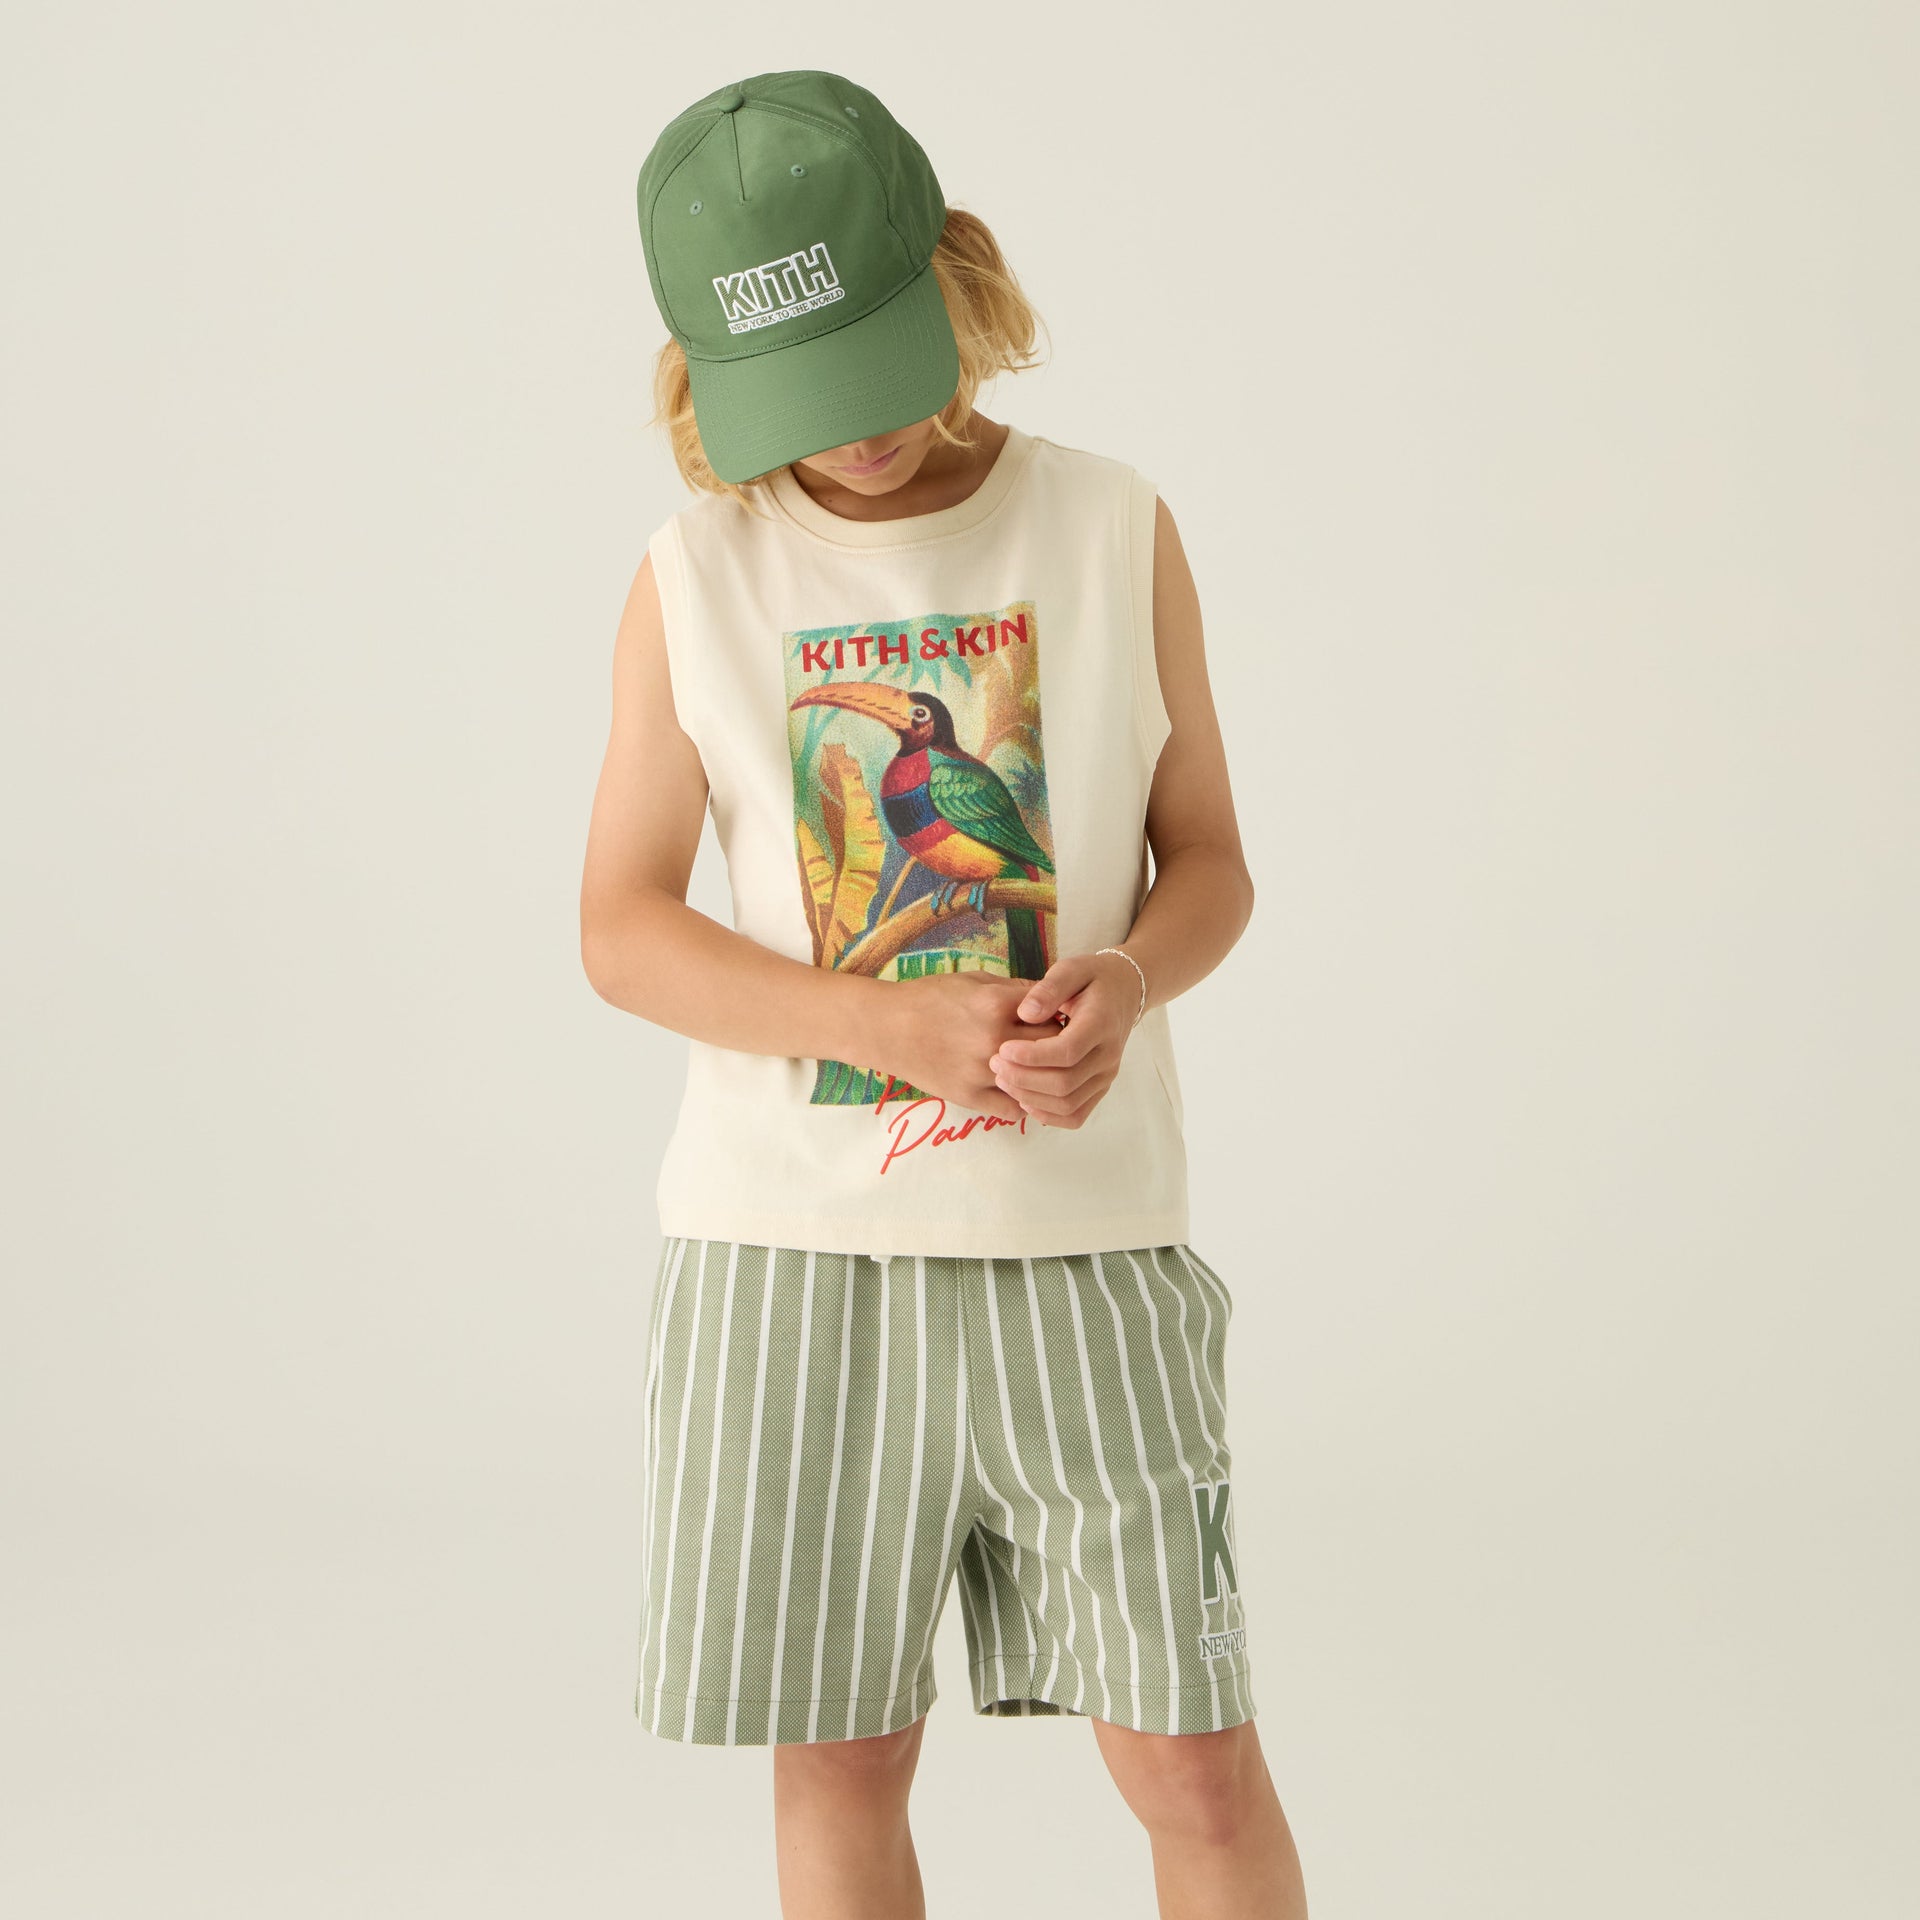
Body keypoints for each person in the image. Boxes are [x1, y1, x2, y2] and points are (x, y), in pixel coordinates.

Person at [580, 68, 1309, 1920]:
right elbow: (621, 928)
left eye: (882, 368)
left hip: (1087, 1246)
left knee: (1193, 1762)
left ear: (957, 280)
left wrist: (1127, 976)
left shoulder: (1112, 523)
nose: (860, 436)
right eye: (801, 396)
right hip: (789, 1266)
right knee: (839, 1758)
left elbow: (1211, 862)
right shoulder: (695, 574)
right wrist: (876, 1021)